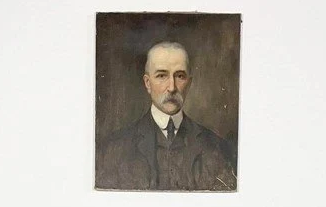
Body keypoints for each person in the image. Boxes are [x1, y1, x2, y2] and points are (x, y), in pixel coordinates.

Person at [96, 41, 237, 191]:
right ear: (148, 83)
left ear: (189, 83)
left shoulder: (220, 149)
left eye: (180, 76)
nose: (172, 87)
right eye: (162, 75)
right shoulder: (113, 150)